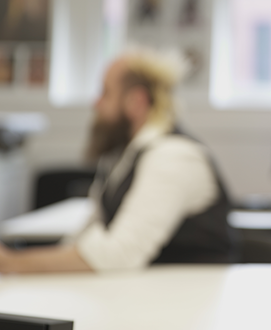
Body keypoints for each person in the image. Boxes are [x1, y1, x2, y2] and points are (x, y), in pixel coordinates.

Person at [0, 48, 235, 273]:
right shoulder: (124, 155)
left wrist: (13, 263)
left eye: (105, 92)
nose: (96, 103)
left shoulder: (173, 157)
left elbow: (120, 254)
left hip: (185, 301)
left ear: (136, 101)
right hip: (140, 294)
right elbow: (88, 235)